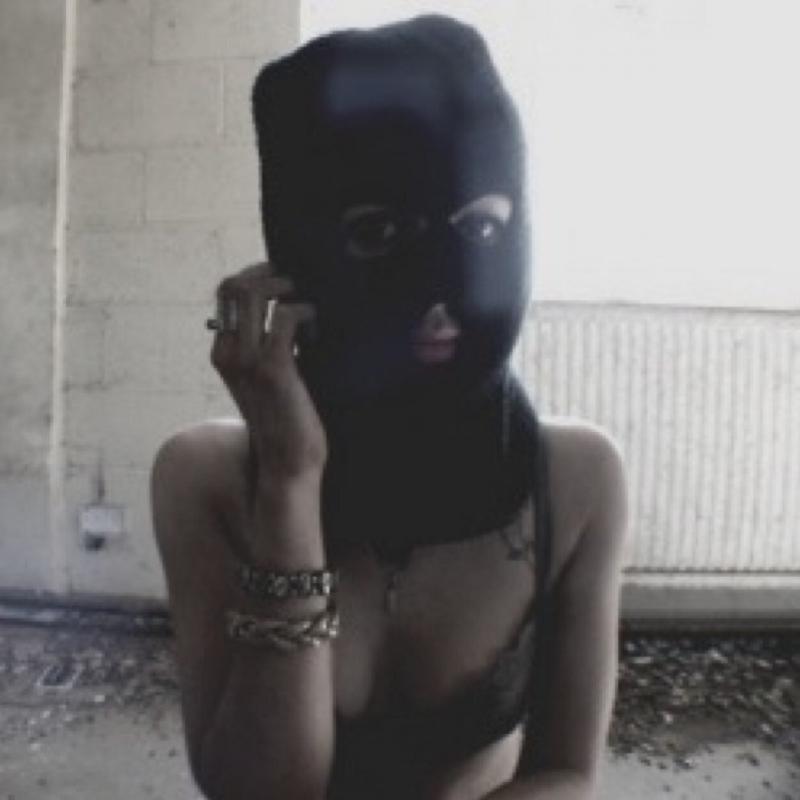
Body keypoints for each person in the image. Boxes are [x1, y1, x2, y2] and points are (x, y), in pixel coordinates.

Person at [150, 15, 628, 800]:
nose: (441, 292)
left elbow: (566, 775)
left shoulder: (574, 480)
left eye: (482, 227)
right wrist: (290, 480)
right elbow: (260, 791)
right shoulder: (206, 479)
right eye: (377, 232)